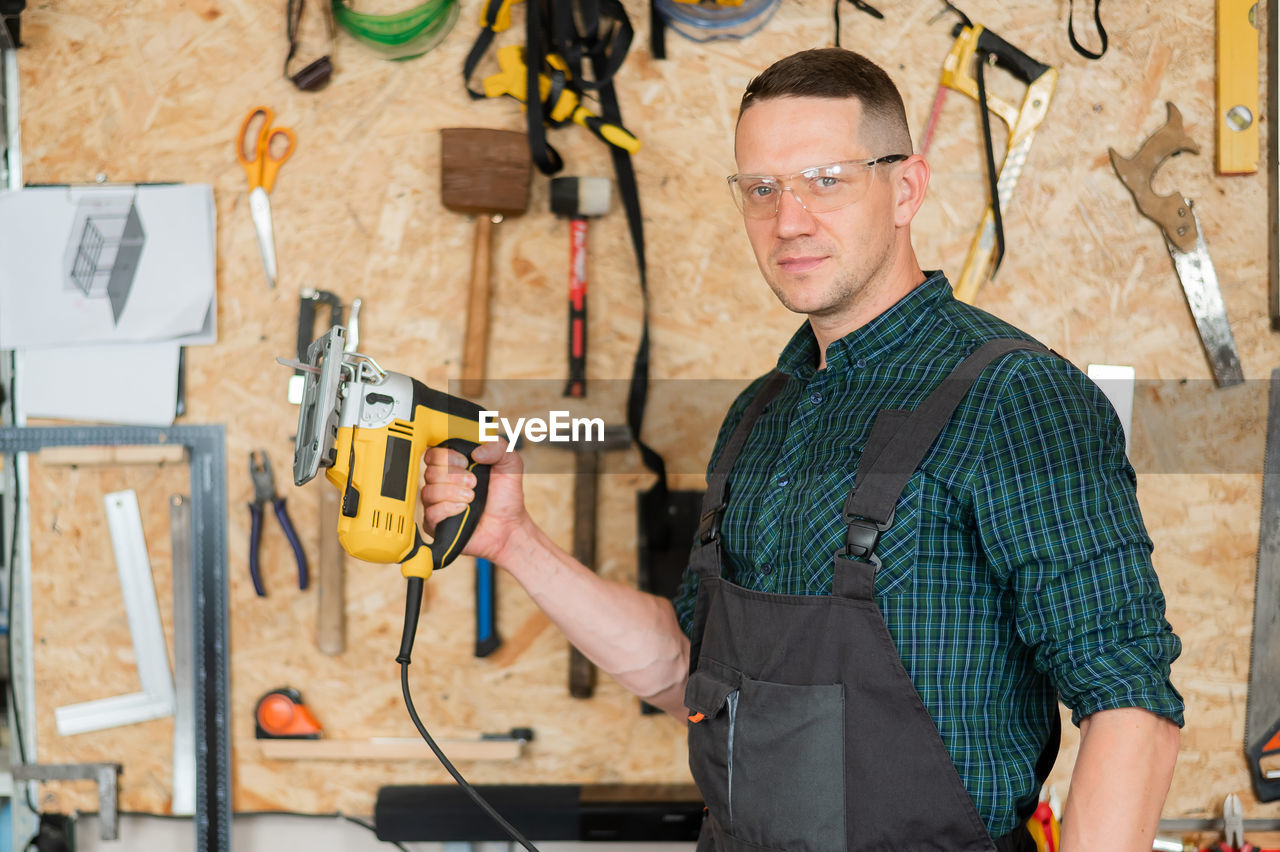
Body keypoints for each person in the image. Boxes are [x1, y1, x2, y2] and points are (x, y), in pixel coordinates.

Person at [422, 47, 1183, 852]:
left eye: (827, 179)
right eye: (762, 189)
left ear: (906, 188)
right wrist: (514, 543)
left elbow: (1130, 705)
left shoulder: (1016, 400)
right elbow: (685, 666)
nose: (789, 220)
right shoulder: (759, 416)